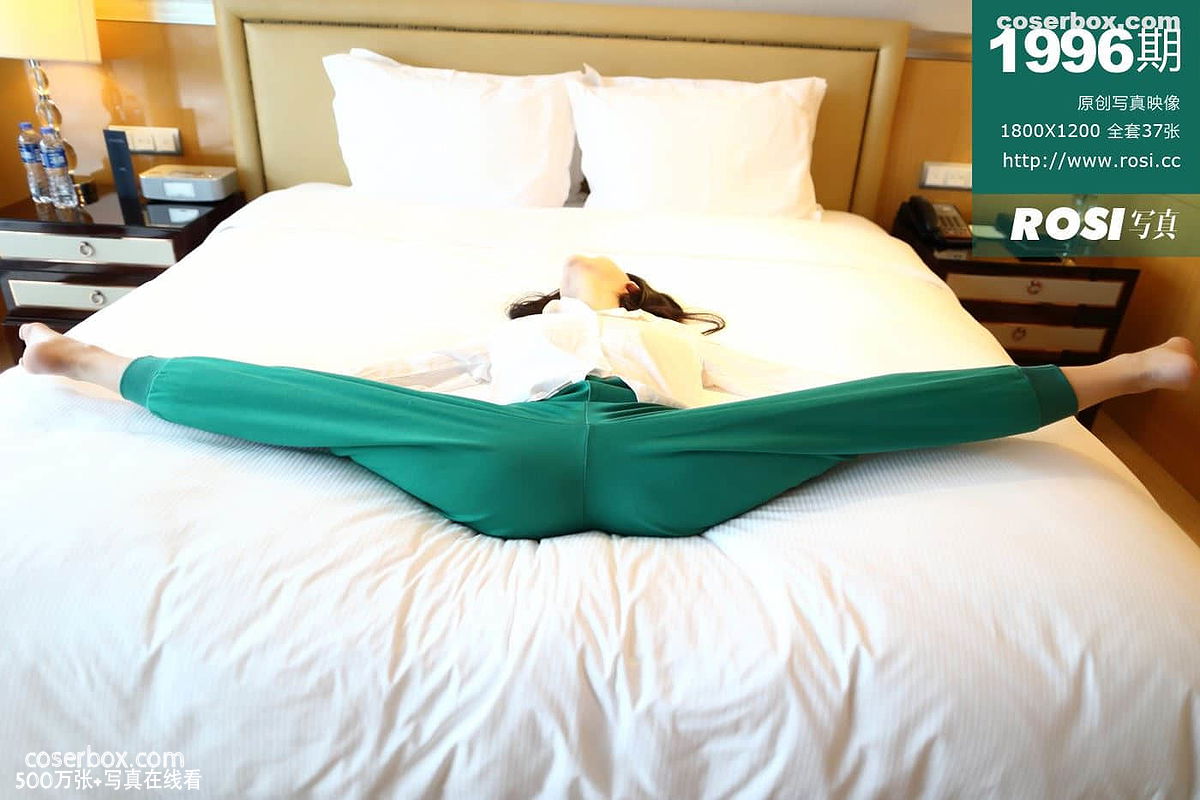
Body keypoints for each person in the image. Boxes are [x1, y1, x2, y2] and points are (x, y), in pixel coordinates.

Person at [17, 255, 1198, 540]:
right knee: (316, 402)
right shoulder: (508, 331)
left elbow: (787, 393)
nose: (588, 269)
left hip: (665, 455)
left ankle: (1127, 371)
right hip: (510, 450)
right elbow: (406, 380)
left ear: (634, 287)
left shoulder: (679, 332)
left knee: (871, 409)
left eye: (607, 268)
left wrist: (820, 406)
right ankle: (83, 361)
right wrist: (345, 400)